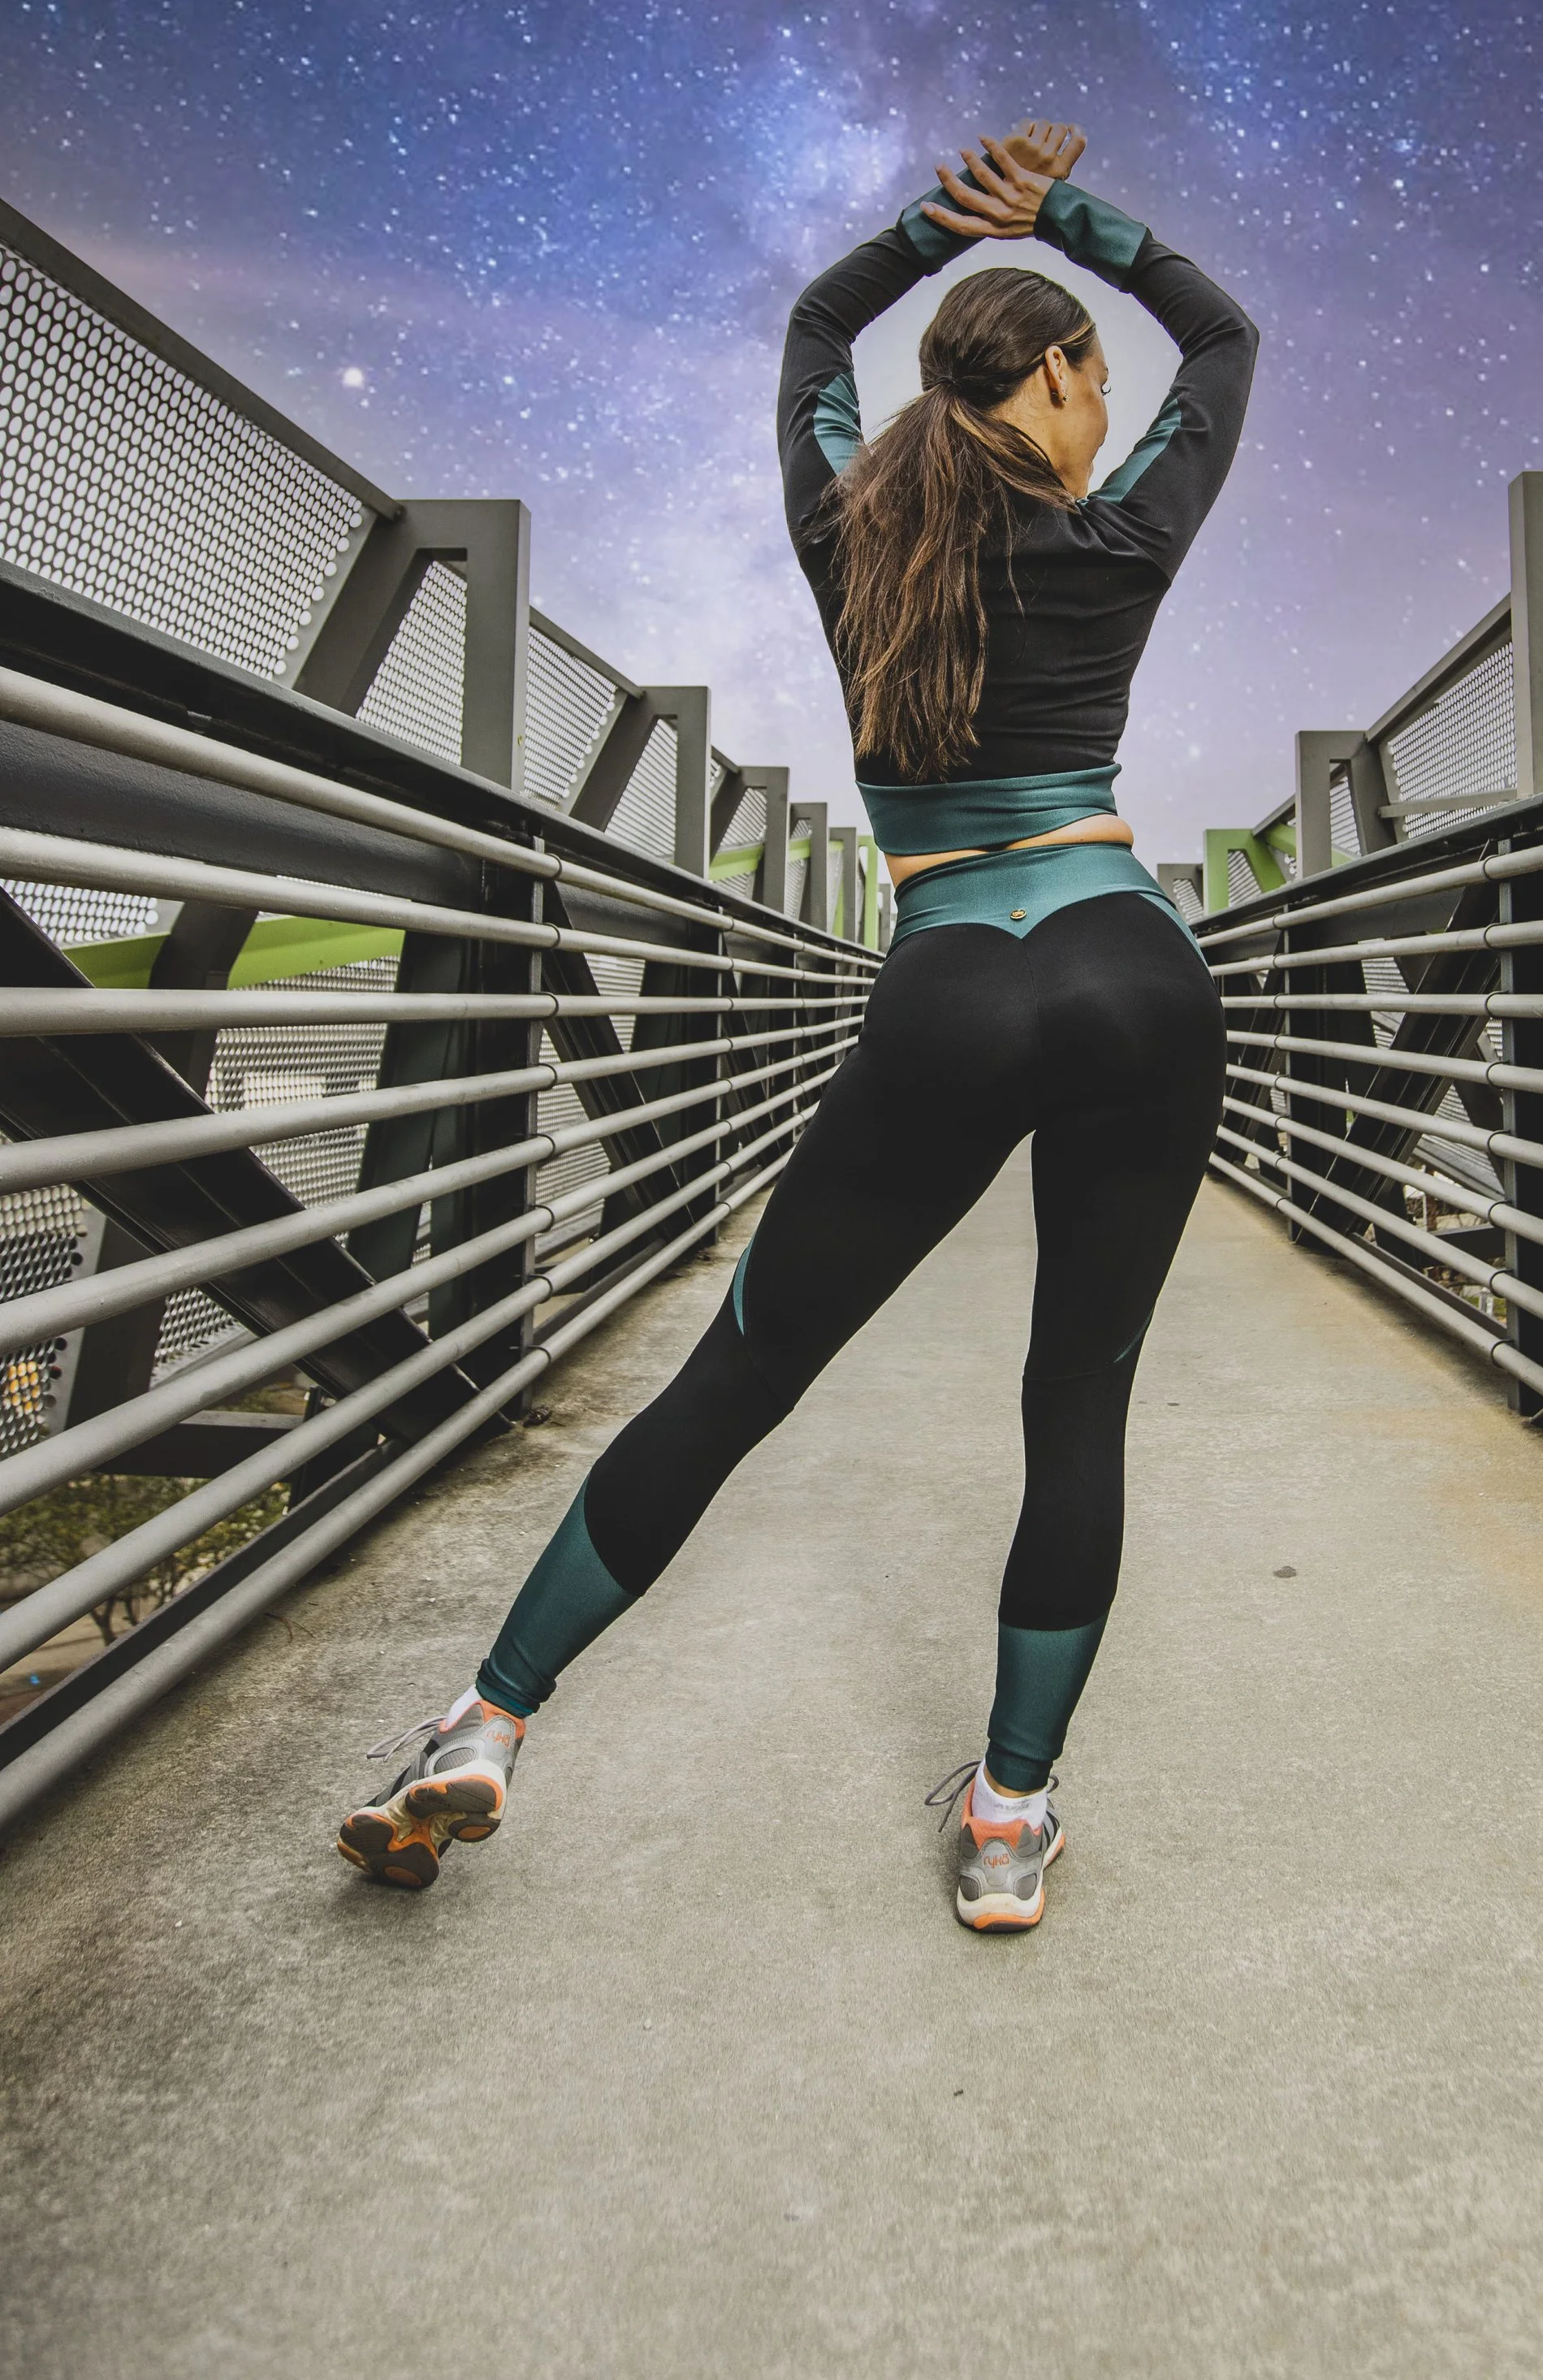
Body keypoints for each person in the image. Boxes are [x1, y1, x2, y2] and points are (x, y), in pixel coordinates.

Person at [339, 120, 1258, 1928]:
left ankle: (483, 1724)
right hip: (1134, 971)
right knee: (1075, 1398)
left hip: (948, 988)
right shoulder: (1124, 529)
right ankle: (1006, 1818)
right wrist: (1058, 213)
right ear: (1065, 383)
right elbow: (1222, 339)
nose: (1102, 402)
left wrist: (933, 225)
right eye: (1087, 374)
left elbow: (812, 339)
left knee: (743, 1370)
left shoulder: (850, 532)